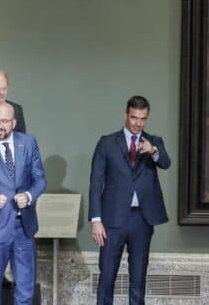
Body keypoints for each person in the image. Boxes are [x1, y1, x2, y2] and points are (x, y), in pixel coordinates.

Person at [89, 95, 171, 305]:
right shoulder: (107, 143)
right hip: (112, 221)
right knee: (107, 277)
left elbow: (166, 162)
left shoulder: (154, 142)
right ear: (126, 115)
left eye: (143, 119)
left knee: (138, 280)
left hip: (141, 220)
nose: (138, 123)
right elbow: (96, 183)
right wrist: (96, 220)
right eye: (134, 118)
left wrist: (152, 150)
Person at [0, 103, 47, 305]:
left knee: (25, 290)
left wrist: (29, 196)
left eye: (4, 121)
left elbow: (40, 179)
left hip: (24, 227)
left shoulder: (28, 143)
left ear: (14, 122)